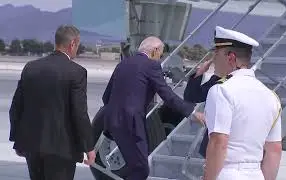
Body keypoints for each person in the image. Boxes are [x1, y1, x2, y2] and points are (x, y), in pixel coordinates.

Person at [102, 36, 203, 180]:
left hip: (113, 122)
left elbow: (106, 97)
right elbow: (167, 95)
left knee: (134, 167)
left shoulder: (123, 64)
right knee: (141, 169)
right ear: (155, 51)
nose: (160, 58)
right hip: (131, 124)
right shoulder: (151, 65)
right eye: (160, 54)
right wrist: (191, 112)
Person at [9, 25, 96, 180]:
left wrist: (17, 138)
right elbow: (79, 113)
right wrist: (89, 147)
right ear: (72, 44)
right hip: (62, 149)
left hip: (32, 145)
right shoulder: (76, 72)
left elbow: (16, 107)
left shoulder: (31, 67)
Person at [203, 26, 282, 180]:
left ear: (230, 58)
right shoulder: (271, 96)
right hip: (256, 174)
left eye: (216, 53)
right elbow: (274, 149)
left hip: (227, 173)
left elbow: (219, 142)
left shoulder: (221, 91)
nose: (214, 59)